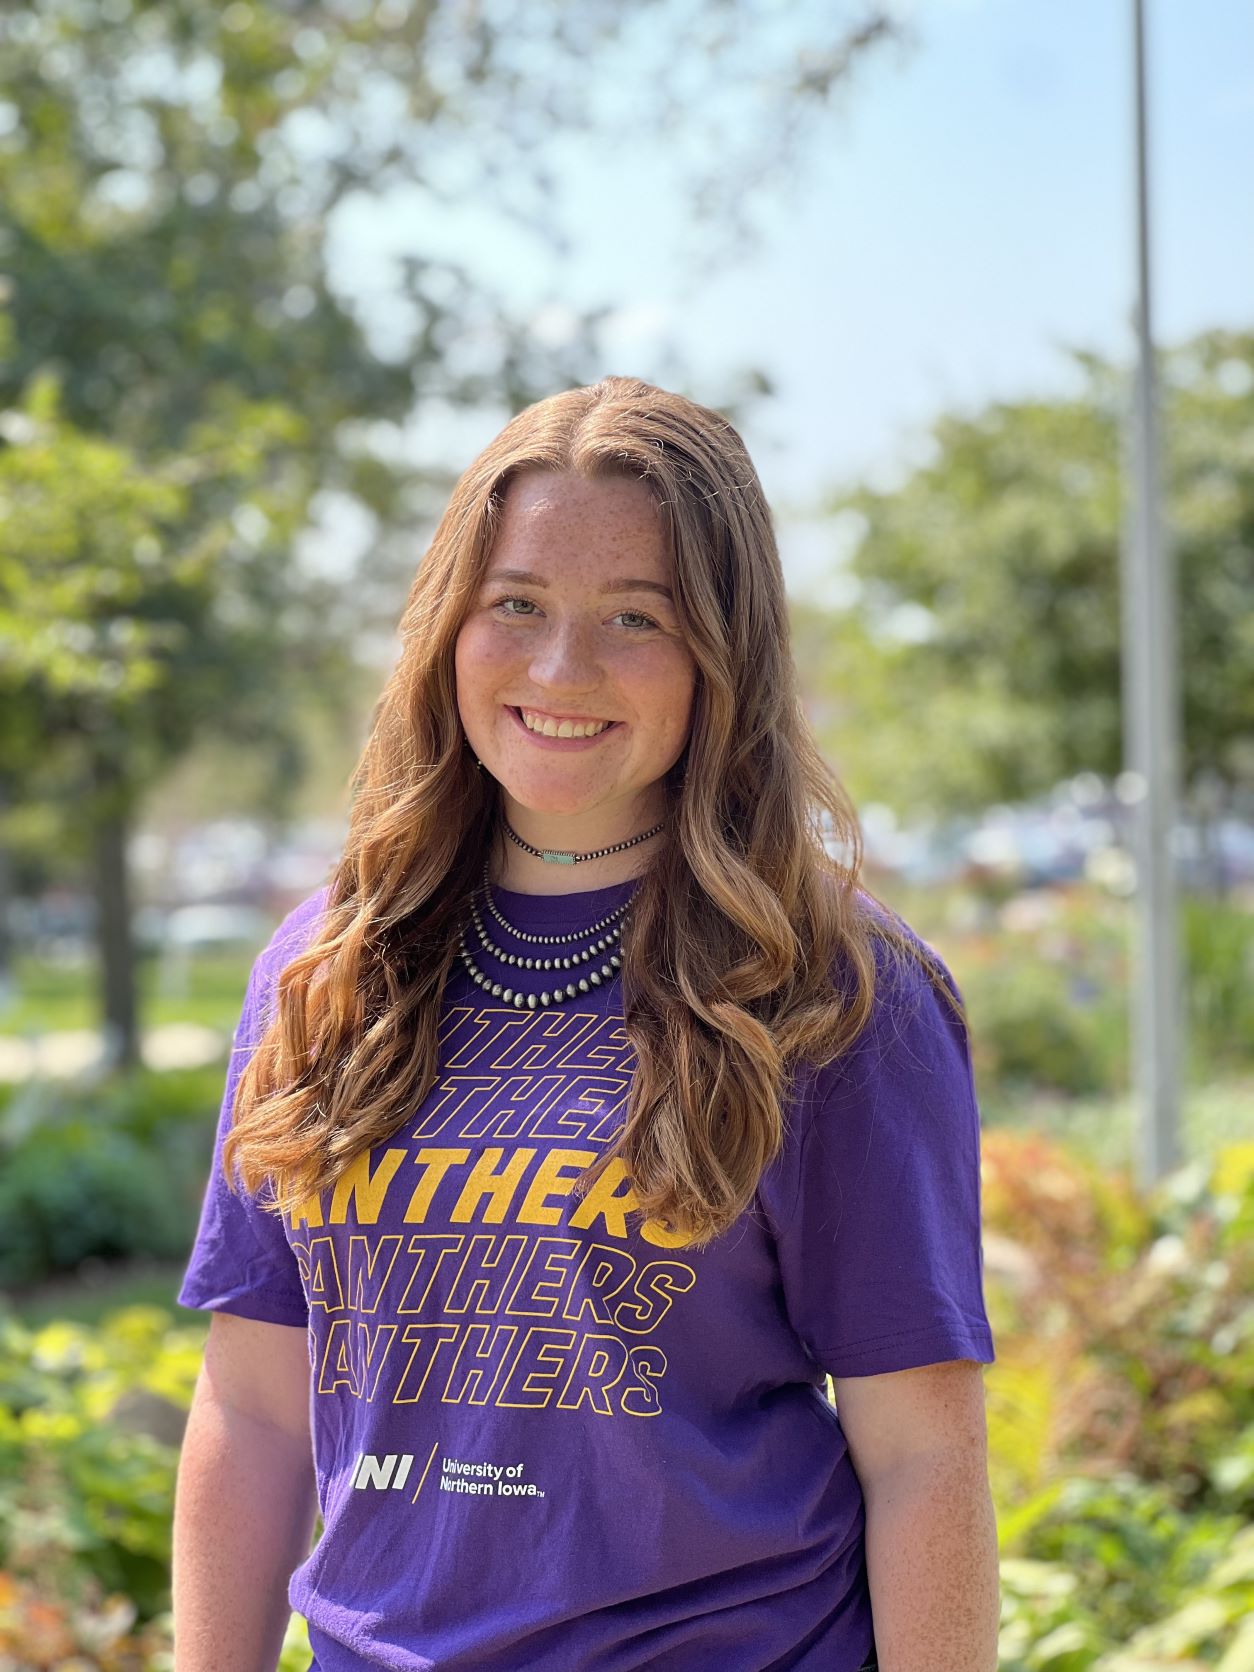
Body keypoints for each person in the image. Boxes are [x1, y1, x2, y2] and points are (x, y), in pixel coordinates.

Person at [172, 376, 1000, 1672]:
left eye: (635, 618)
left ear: (722, 656)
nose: (561, 668)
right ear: (450, 621)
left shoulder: (834, 988)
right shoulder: (328, 967)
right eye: (516, 605)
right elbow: (257, 1410)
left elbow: (919, 1452)